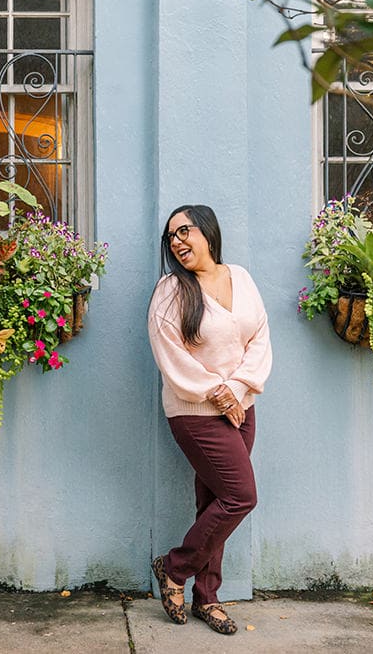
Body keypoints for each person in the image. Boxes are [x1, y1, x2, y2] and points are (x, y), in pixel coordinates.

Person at [146, 204, 271, 635]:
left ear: (207, 231)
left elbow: (259, 338)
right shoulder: (171, 290)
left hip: (242, 409)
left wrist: (237, 391)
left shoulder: (242, 277)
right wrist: (217, 392)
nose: (178, 241)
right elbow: (170, 355)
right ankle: (175, 568)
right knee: (240, 497)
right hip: (195, 412)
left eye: (185, 231)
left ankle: (208, 597)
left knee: (214, 504)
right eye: (171, 238)